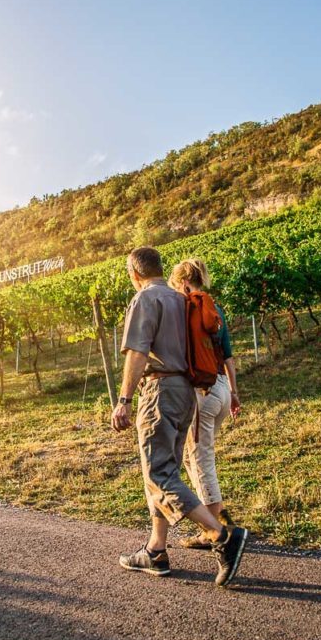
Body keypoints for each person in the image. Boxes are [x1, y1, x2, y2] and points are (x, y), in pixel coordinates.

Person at [111, 246, 248, 587]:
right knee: (165, 470)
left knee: (159, 472)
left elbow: (138, 352)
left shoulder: (145, 298)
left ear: (134, 273)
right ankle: (156, 550)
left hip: (160, 390)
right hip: (187, 392)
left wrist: (124, 399)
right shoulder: (181, 299)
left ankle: (221, 535)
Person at [169, 258, 240, 550]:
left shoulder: (188, 309)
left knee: (201, 461)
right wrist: (234, 393)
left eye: (176, 287)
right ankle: (217, 519)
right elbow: (228, 356)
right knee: (193, 458)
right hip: (221, 389)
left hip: (202, 392)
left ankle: (216, 530)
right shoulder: (215, 310)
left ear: (185, 283)